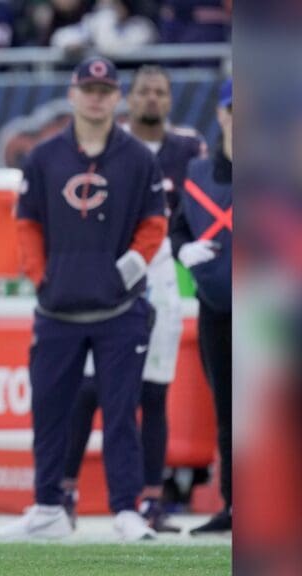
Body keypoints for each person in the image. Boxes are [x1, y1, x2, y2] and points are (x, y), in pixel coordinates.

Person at [0, 57, 167, 541]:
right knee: (49, 412)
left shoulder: (138, 157)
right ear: (73, 92)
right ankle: (47, 506)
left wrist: (122, 273)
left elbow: (154, 224)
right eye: (88, 88)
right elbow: (26, 220)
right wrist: (40, 275)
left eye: (105, 89)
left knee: (121, 413)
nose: (96, 96)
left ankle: (126, 510)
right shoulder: (44, 157)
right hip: (57, 309)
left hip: (120, 311)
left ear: (117, 97)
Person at [59, 65, 206, 533]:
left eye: (160, 92)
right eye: (143, 91)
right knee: (87, 389)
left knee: (154, 391)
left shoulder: (189, 150)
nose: (151, 100)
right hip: (109, 272)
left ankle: (150, 500)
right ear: (130, 98)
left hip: (161, 273)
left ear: (170, 99)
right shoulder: (110, 142)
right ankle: (61, 492)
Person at [171, 79, 232, 535]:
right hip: (217, 304)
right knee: (230, 410)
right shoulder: (199, 173)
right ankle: (236, 505)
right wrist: (183, 250)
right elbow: (177, 229)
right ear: (222, 115)